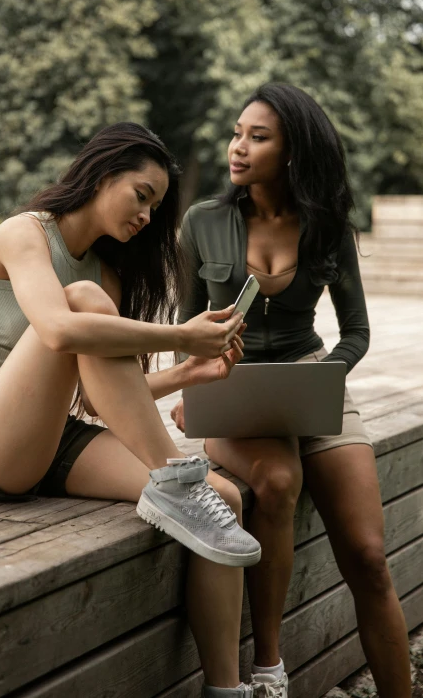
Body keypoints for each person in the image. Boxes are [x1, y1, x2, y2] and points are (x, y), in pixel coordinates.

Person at [0, 122, 262, 698]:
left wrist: (188, 373)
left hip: (51, 436)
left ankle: (225, 689)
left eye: (156, 208)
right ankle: (174, 481)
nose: (146, 216)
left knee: (227, 500)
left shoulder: (106, 271)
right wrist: (182, 336)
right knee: (81, 306)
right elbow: (59, 333)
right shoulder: (24, 234)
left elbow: (99, 396)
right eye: (141, 195)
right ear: (101, 174)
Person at [171, 84, 412, 698]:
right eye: (236, 133)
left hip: (313, 381)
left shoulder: (327, 227)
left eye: (258, 136)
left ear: (294, 149)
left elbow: (355, 332)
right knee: (277, 482)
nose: (238, 147)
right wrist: (194, 383)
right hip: (233, 389)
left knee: (368, 557)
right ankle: (271, 671)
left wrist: (326, 376)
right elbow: (185, 328)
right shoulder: (203, 221)